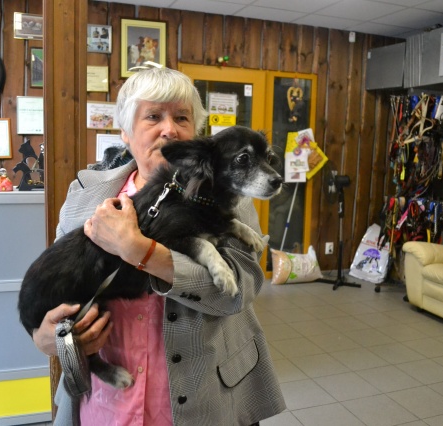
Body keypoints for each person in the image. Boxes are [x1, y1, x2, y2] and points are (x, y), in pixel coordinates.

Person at [32, 66, 286, 426]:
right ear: (125, 131)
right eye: (153, 116)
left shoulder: (230, 197)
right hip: (107, 404)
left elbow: (239, 292)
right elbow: (57, 282)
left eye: (182, 117)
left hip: (200, 401)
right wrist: (47, 336)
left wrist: (141, 252)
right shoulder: (85, 195)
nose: (169, 129)